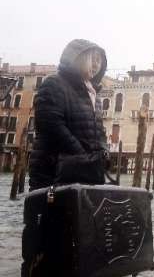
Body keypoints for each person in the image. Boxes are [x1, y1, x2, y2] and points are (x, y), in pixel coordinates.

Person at [28, 39, 108, 190]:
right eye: (93, 59)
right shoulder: (54, 83)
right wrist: (82, 156)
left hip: (85, 170)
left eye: (100, 61)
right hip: (53, 170)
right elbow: (52, 126)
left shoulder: (94, 93)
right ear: (79, 58)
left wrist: (103, 152)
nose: (97, 65)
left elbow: (99, 130)